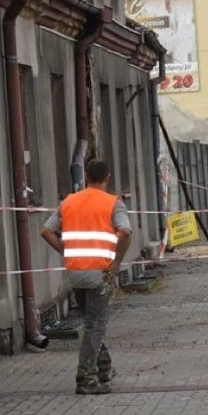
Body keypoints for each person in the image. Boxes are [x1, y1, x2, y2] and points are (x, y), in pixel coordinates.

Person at [41, 160, 132, 395]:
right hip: (100, 272)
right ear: (107, 177)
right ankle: (85, 378)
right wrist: (118, 261)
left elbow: (46, 230)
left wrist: (66, 250)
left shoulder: (68, 202)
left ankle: (104, 368)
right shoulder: (113, 203)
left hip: (75, 273)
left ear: (87, 176)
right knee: (95, 326)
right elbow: (125, 231)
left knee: (91, 322)